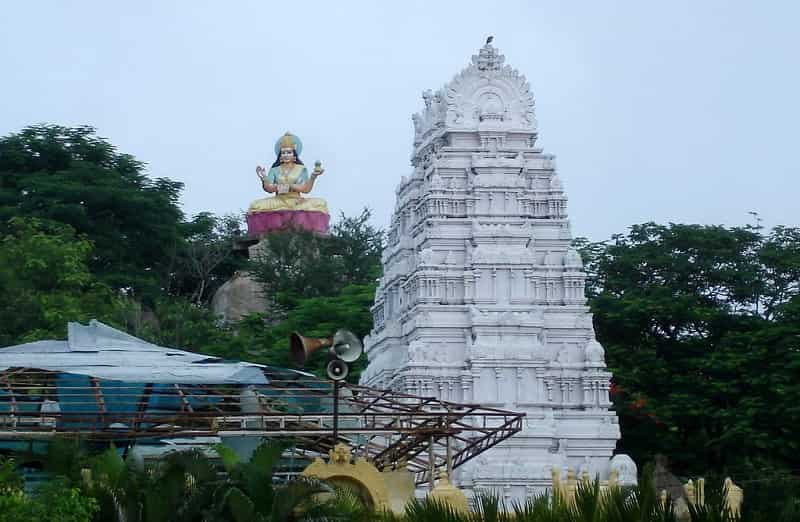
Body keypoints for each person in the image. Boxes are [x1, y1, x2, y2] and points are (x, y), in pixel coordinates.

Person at [248, 132, 329, 213]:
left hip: (296, 201)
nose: (286, 155)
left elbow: (306, 189)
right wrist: (263, 178)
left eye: (289, 152)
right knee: (255, 205)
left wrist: (313, 176)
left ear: (294, 155)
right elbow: (269, 189)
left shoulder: (301, 169)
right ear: (280, 156)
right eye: (283, 153)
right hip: (278, 201)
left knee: (321, 203)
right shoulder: (275, 169)